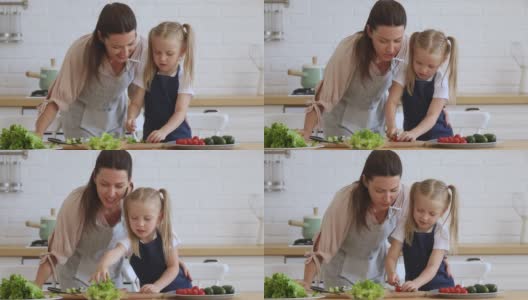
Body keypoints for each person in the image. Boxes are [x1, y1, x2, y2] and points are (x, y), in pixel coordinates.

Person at [35, 3, 147, 139]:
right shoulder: (82, 51)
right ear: (101, 37)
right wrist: (38, 135)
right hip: (81, 119)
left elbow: (139, 94)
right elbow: (58, 98)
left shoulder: (142, 48)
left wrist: (132, 118)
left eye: (130, 44)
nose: (125, 53)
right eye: (116, 47)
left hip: (115, 117)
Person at [302, 150, 410, 288]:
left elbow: (405, 239)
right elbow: (322, 247)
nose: (388, 198)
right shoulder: (347, 199)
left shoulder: (404, 197)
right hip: (341, 276)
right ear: (365, 181)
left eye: (394, 190)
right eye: (380, 191)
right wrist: (306, 283)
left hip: (377, 273)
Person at [302, 0, 408, 138]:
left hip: (376, 121)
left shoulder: (406, 46)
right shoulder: (349, 50)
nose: (391, 48)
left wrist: (441, 108)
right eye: (383, 41)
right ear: (369, 31)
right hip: (341, 122)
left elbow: (429, 72)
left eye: (397, 40)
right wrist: (306, 133)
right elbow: (325, 96)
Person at [34, 150, 134, 289]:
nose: (111, 193)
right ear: (94, 178)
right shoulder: (77, 203)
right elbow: (55, 253)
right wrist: (34, 289)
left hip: (110, 281)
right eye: (104, 184)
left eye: (119, 186)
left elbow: (139, 243)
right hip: (75, 282)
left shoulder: (135, 203)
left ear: (129, 182)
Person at [91, 188, 191, 293]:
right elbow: (116, 252)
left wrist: (157, 286)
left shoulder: (167, 234)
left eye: (147, 219)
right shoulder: (129, 240)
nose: (140, 224)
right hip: (152, 293)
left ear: (159, 217)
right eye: (134, 218)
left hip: (179, 291)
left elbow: (173, 267)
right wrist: (103, 265)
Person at [126, 21, 195, 143]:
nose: (162, 58)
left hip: (178, 139)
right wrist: (131, 118)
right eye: (157, 52)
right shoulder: (146, 73)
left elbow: (180, 111)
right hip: (151, 138)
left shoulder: (184, 77)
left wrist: (163, 131)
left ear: (182, 51)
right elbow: (136, 103)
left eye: (169, 54)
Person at [385, 179, 458, 291]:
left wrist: (416, 283)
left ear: (443, 211)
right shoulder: (404, 225)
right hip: (414, 288)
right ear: (413, 204)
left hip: (440, 288)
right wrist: (391, 273)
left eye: (432, 214)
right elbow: (391, 256)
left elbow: (432, 267)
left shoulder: (441, 231)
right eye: (420, 210)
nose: (424, 217)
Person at [385, 30, 458, 141]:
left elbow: (432, 116)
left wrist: (414, 133)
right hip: (411, 136)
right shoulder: (404, 71)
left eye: (431, 66)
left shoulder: (441, 79)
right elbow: (392, 102)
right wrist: (391, 127)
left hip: (439, 137)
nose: (423, 70)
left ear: (443, 60)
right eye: (418, 62)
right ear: (412, 54)